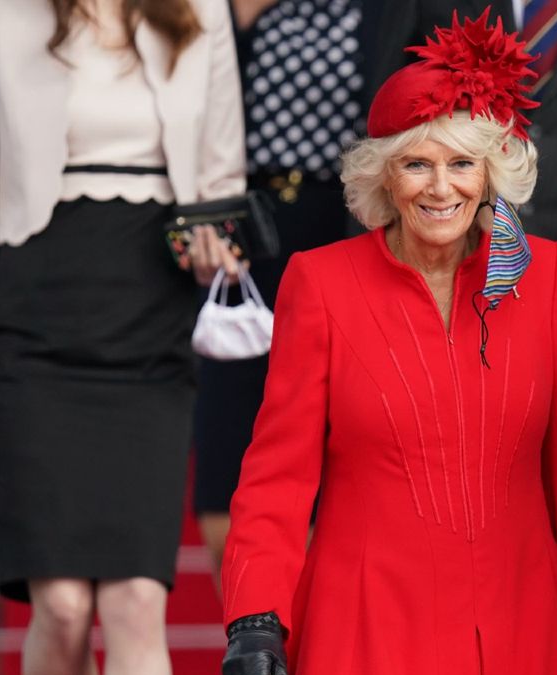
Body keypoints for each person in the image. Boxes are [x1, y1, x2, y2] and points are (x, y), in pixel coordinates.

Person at [218, 11, 557, 675]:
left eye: (462, 164)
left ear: (492, 172)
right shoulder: (321, 283)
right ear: (384, 175)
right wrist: (256, 614)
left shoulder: (546, 276)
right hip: (366, 626)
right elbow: (278, 474)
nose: (442, 189)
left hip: (517, 624)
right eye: (417, 164)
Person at [0, 1, 245, 675]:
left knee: (138, 600)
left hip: (151, 310)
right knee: (67, 607)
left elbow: (222, 169)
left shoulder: (201, 12)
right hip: (31, 303)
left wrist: (217, 245)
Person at [193, 0, 447, 598]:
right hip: (244, 248)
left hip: (346, 234)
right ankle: (262, 646)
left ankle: (319, 668)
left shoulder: (389, 11)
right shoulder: (218, 10)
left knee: (338, 486)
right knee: (223, 501)